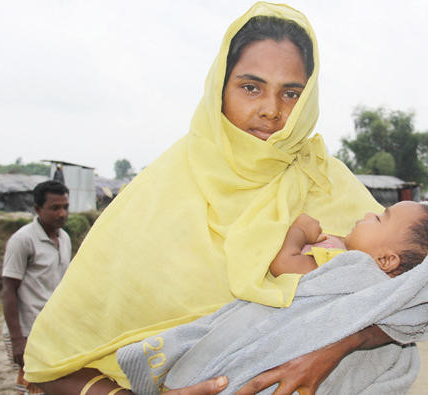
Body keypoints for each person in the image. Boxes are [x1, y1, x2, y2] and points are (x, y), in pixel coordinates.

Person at [25, 4, 396, 395]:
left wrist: (338, 346)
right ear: (219, 87)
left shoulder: (329, 183)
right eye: (251, 87)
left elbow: (420, 291)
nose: (271, 111)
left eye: (291, 94)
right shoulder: (156, 193)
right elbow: (53, 365)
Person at [2, 180, 71, 395]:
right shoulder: (23, 240)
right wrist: (17, 340)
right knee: (32, 388)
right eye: (55, 208)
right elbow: (8, 290)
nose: (62, 213)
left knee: (54, 386)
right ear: (37, 209)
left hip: (52, 330)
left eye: (65, 207)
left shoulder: (65, 238)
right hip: (27, 332)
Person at [270, 201, 428, 277]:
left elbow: (283, 265)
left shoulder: (345, 267)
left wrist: (299, 230)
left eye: (379, 219)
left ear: (385, 260)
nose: (368, 213)